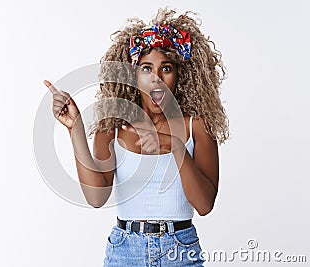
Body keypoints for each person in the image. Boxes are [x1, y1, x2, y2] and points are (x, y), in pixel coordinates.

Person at [44, 7, 229, 267]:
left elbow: (204, 204)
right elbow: (96, 198)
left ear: (179, 75)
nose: (156, 79)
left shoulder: (195, 126)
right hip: (125, 251)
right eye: (146, 68)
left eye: (166, 68)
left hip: (180, 251)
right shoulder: (114, 127)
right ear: (132, 75)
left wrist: (175, 147)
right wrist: (74, 127)